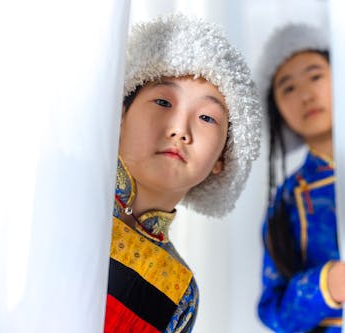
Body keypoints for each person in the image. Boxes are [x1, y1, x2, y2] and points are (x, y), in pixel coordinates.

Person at [104, 14, 261, 333]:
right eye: (163, 101)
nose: (179, 129)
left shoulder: (179, 290)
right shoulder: (62, 203)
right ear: (121, 115)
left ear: (222, 157)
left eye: (206, 118)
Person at [256, 23, 345, 333]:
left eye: (315, 76)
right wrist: (325, 287)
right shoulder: (285, 201)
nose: (307, 95)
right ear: (277, 108)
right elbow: (273, 313)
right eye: (288, 88)